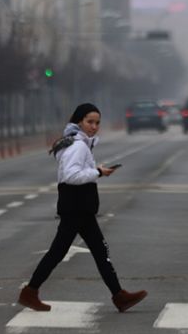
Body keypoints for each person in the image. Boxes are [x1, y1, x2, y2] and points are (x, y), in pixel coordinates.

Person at [18, 103, 148, 313]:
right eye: (90, 122)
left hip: (81, 209)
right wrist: (97, 172)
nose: (94, 126)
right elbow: (71, 176)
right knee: (59, 252)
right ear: (79, 122)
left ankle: (119, 295)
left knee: (100, 251)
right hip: (75, 208)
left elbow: (76, 172)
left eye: (97, 123)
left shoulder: (79, 144)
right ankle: (30, 292)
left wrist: (97, 170)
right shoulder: (78, 146)